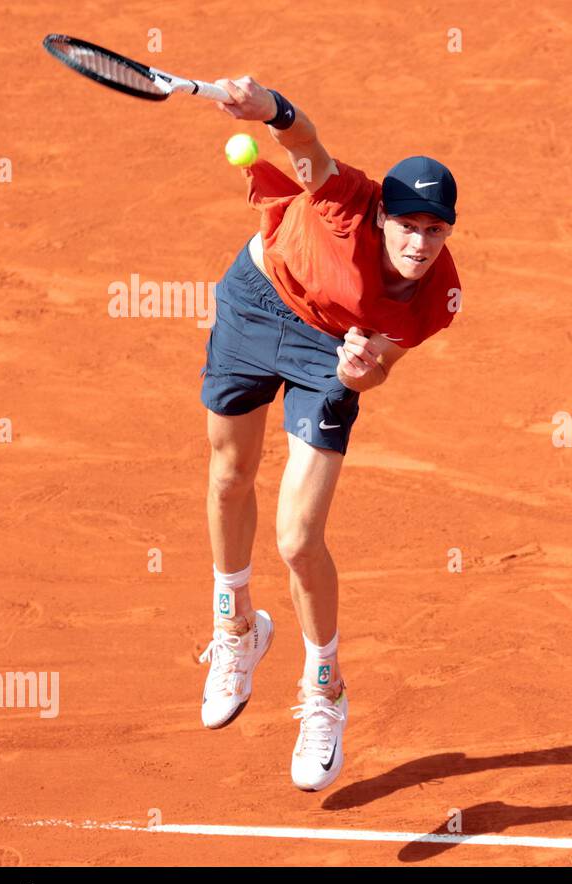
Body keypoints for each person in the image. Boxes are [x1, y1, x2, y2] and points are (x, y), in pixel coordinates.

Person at [195, 76, 460, 792]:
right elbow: (303, 145)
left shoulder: (437, 299)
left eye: (436, 229)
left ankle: (326, 691)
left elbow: (382, 371)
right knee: (229, 476)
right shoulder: (344, 200)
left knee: (298, 540)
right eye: (408, 225)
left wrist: (360, 367)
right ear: (381, 218)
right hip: (256, 303)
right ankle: (237, 628)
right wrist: (270, 108)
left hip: (329, 352)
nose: (421, 241)